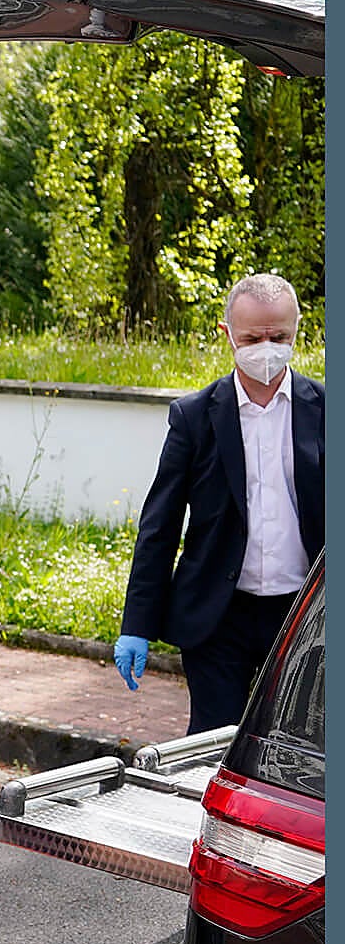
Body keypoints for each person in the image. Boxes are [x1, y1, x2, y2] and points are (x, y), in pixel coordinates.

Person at [115, 273, 323, 733]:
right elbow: (161, 523)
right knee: (212, 746)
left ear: (297, 332)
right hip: (217, 615)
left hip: (304, 615)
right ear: (227, 334)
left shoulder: (325, 410)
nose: (266, 347)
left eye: (279, 337)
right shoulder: (194, 416)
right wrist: (138, 623)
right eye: (252, 338)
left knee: (294, 747)